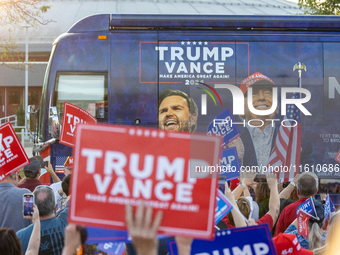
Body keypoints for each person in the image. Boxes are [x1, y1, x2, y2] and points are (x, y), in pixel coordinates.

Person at [237, 72, 315, 172]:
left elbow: (311, 182)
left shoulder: (301, 146)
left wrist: (294, 164)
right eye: (254, 93)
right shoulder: (229, 145)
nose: (261, 97)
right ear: (241, 107)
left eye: (267, 93)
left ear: (277, 107)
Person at [17, 185, 69, 255]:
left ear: (32, 209)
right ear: (55, 208)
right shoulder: (65, 222)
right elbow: (74, 199)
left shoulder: (20, 236)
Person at [274, 171, 319, 236]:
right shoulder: (324, 210)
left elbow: (278, 238)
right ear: (316, 190)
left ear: (297, 191)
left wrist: (293, 182)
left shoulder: (287, 210)